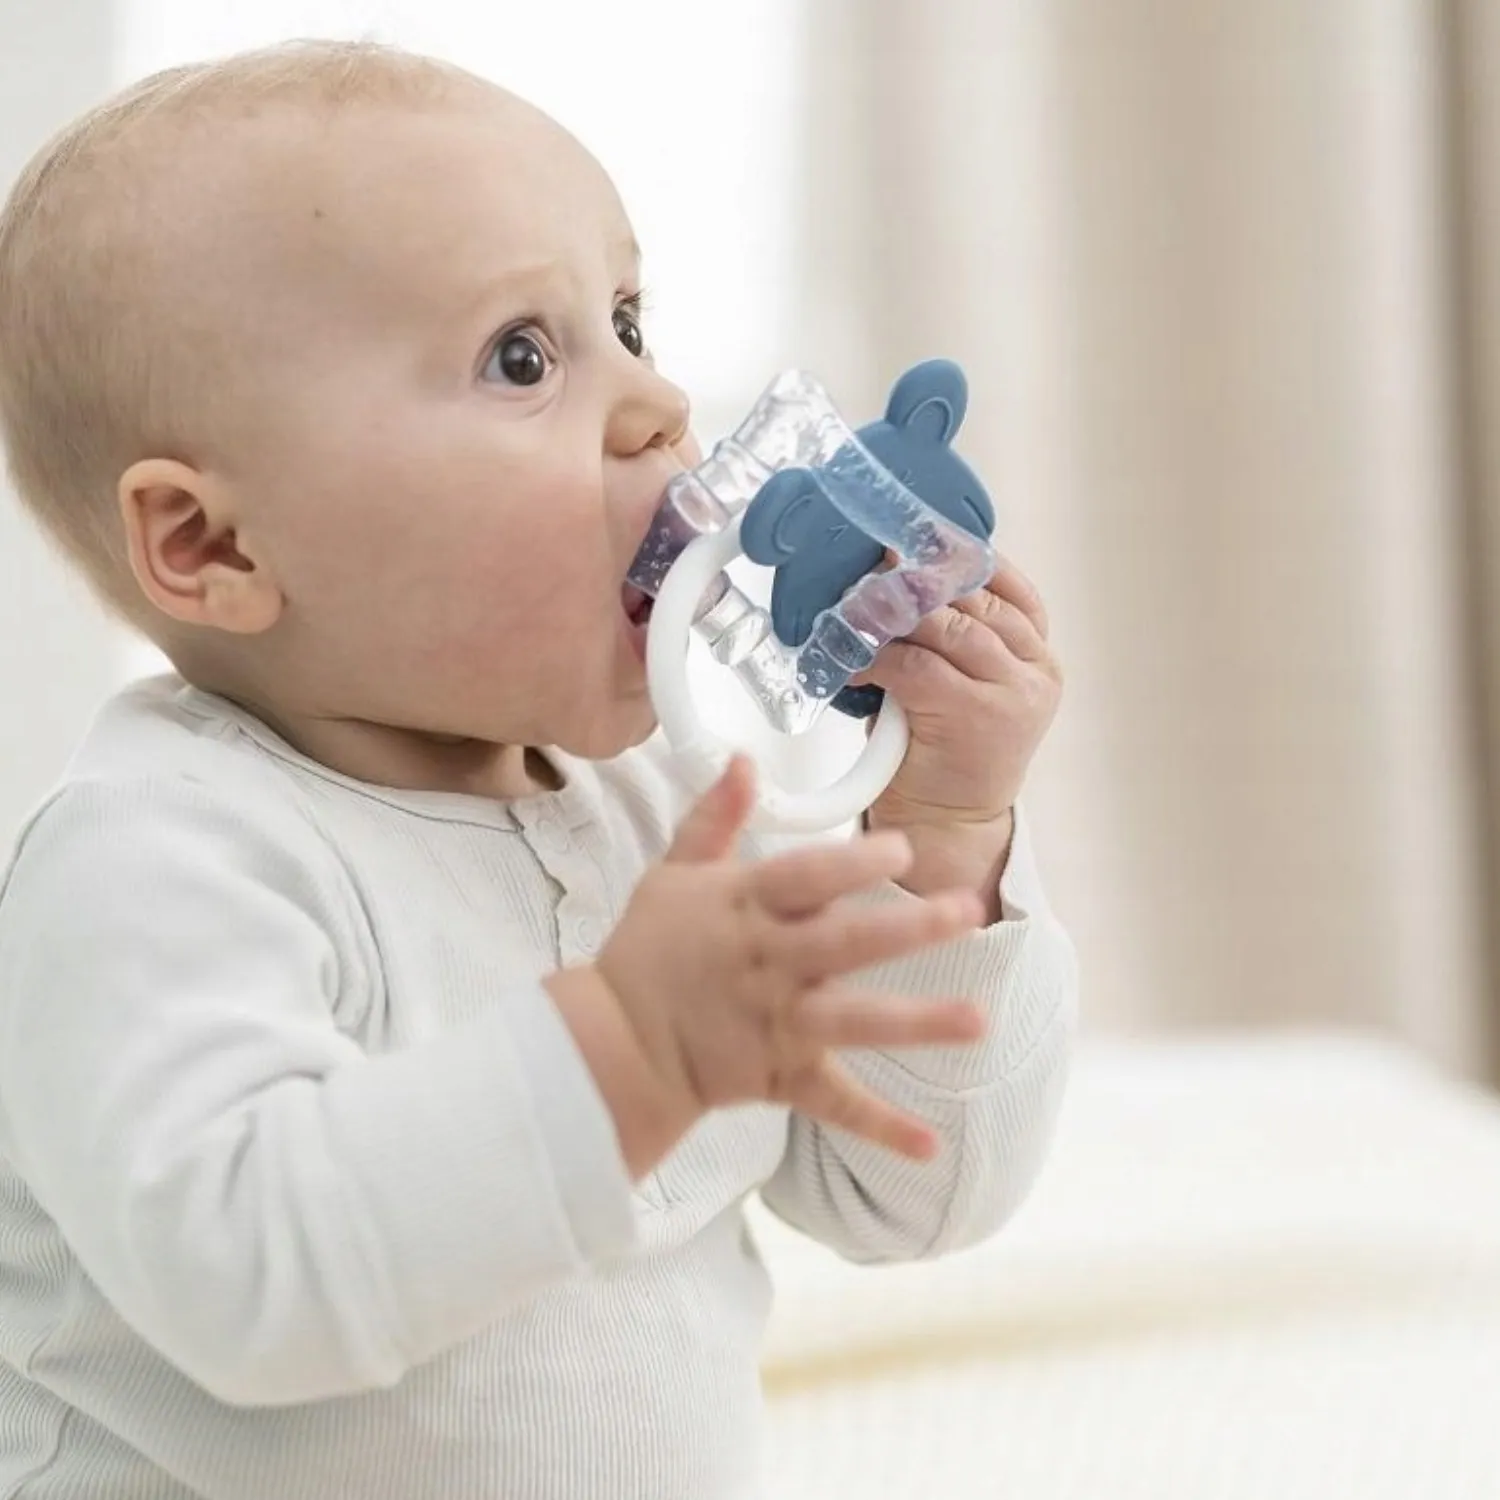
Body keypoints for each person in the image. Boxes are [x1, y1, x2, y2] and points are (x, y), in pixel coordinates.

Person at [0, 39, 1076, 1500]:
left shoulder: (660, 819)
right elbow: (248, 1275)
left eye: (628, 318)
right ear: (215, 547)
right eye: (523, 355)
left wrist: (946, 833)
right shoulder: (156, 860)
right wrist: (627, 1055)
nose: (658, 403)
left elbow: (910, 1196)